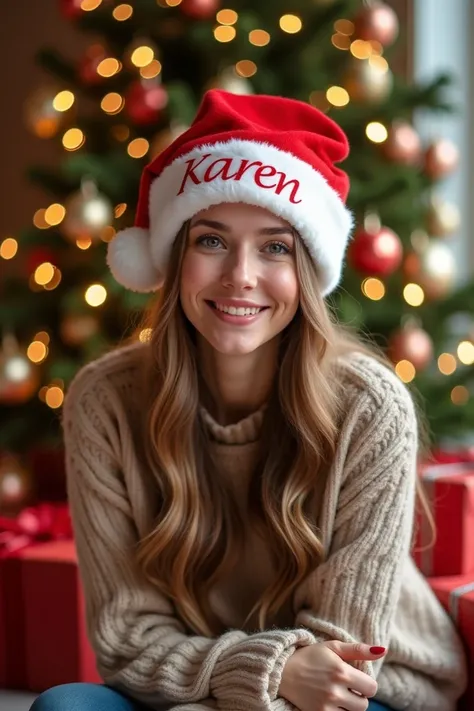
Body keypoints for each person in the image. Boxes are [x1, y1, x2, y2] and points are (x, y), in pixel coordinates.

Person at [30, 89, 467, 711]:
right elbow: (126, 641)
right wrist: (252, 676)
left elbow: (341, 655)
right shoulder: (104, 401)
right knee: (64, 707)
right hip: (201, 681)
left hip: (365, 691)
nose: (240, 274)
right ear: (174, 258)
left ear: (307, 273)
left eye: (275, 246)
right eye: (211, 241)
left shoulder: (371, 408)